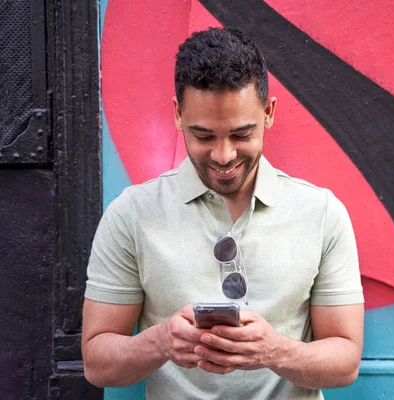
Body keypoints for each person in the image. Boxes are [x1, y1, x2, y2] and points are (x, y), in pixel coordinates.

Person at [82, 27, 364, 399]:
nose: (223, 155)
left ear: (268, 113)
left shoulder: (322, 213)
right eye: (204, 136)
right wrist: (161, 342)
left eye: (241, 134)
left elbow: (345, 362)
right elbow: (97, 364)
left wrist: (273, 350)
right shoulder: (131, 214)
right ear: (178, 115)